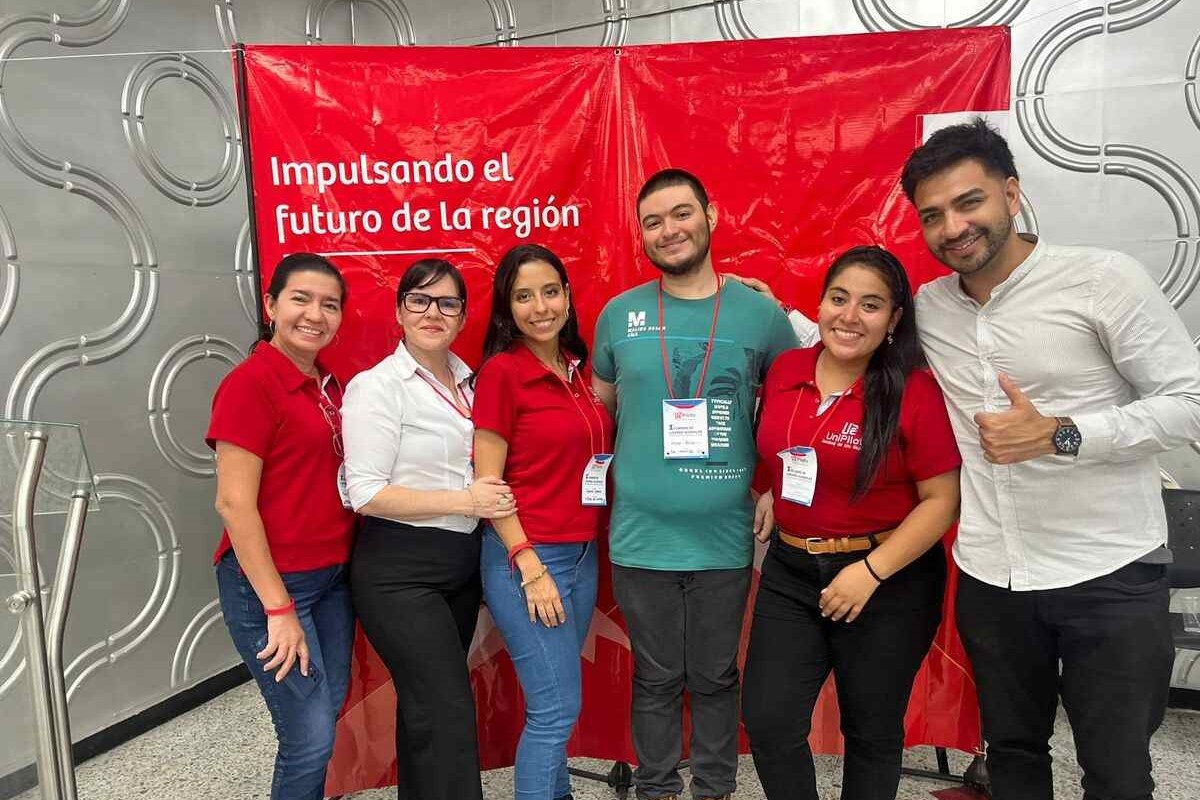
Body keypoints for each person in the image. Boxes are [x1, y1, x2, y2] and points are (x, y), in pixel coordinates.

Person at [898, 118, 1200, 800]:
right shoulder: (931, 308)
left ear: (1011, 193)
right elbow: (855, 342)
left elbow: (1191, 401)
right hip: (992, 576)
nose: (953, 227)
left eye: (968, 202)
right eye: (933, 215)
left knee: (1118, 773)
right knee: (1010, 758)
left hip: (1109, 574)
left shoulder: (1101, 280)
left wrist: (1061, 433)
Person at [590, 169, 815, 800]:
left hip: (724, 535)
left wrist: (775, 484)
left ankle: (714, 788)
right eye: (654, 221)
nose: (670, 230)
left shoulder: (759, 313)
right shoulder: (619, 315)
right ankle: (657, 789)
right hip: (641, 536)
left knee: (717, 675)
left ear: (710, 215)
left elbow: (802, 401)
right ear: (642, 235)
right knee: (657, 676)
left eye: (681, 214)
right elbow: (600, 413)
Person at [741, 245, 961, 800]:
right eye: (839, 299)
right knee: (768, 722)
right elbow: (783, 449)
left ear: (893, 321)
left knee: (871, 732)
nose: (849, 316)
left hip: (888, 581)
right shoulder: (789, 368)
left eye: (870, 305)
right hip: (791, 570)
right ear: (819, 306)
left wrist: (871, 572)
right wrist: (774, 492)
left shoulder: (914, 390)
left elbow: (941, 500)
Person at [341, 259, 515, 800]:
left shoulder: (472, 381)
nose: (433, 312)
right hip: (399, 571)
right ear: (399, 312)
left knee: (425, 711)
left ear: (463, 317)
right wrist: (465, 499)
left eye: (447, 303)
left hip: (460, 567)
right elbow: (364, 492)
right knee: (446, 707)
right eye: (419, 300)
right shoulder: (377, 387)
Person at [208, 253, 357, 800]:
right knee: (310, 734)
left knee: (327, 707)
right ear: (271, 305)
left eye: (330, 304)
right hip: (271, 586)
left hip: (332, 578)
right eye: (301, 299)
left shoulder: (328, 387)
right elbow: (233, 504)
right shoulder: (251, 384)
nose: (315, 314)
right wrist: (278, 608)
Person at [472, 243, 615, 800]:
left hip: (581, 555)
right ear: (507, 308)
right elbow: (489, 488)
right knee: (556, 712)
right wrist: (528, 564)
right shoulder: (502, 375)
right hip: (530, 558)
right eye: (523, 296)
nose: (540, 307)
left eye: (550, 292)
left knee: (557, 707)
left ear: (567, 296)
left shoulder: (576, 370)